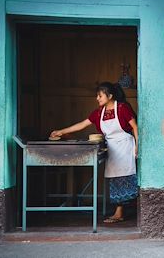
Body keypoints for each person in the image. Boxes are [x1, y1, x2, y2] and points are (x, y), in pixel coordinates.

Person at [50, 82, 138, 223]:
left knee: (125, 179)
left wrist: (137, 146)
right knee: (115, 180)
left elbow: (134, 127)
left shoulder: (122, 108)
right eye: (97, 95)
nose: (97, 98)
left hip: (125, 146)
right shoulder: (99, 112)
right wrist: (61, 131)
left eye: (100, 95)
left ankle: (120, 212)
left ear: (110, 96)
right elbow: (83, 124)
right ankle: (119, 211)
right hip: (112, 148)